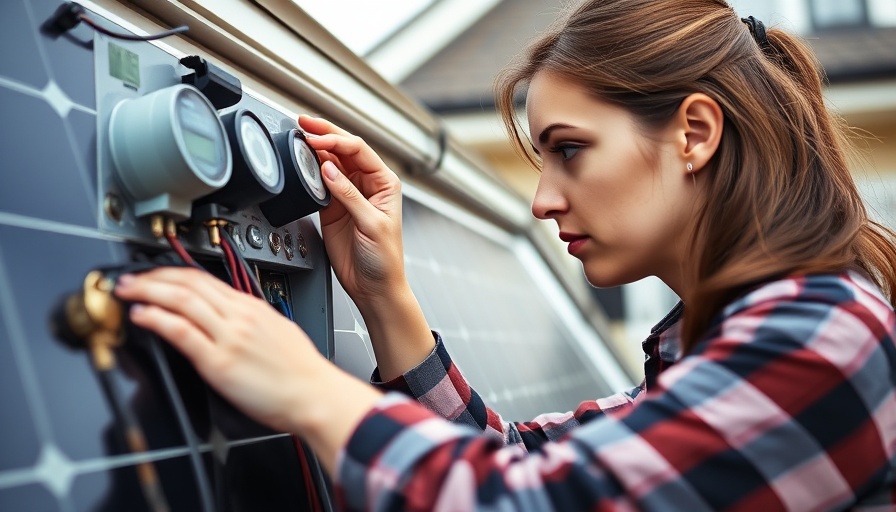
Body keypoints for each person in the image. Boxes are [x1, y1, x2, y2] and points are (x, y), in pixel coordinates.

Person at [114, 0, 896, 509]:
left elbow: (524, 503)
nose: (542, 199)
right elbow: (517, 464)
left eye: (570, 150)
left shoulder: (822, 335)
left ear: (695, 133)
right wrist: (386, 297)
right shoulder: (720, 341)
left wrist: (307, 387)